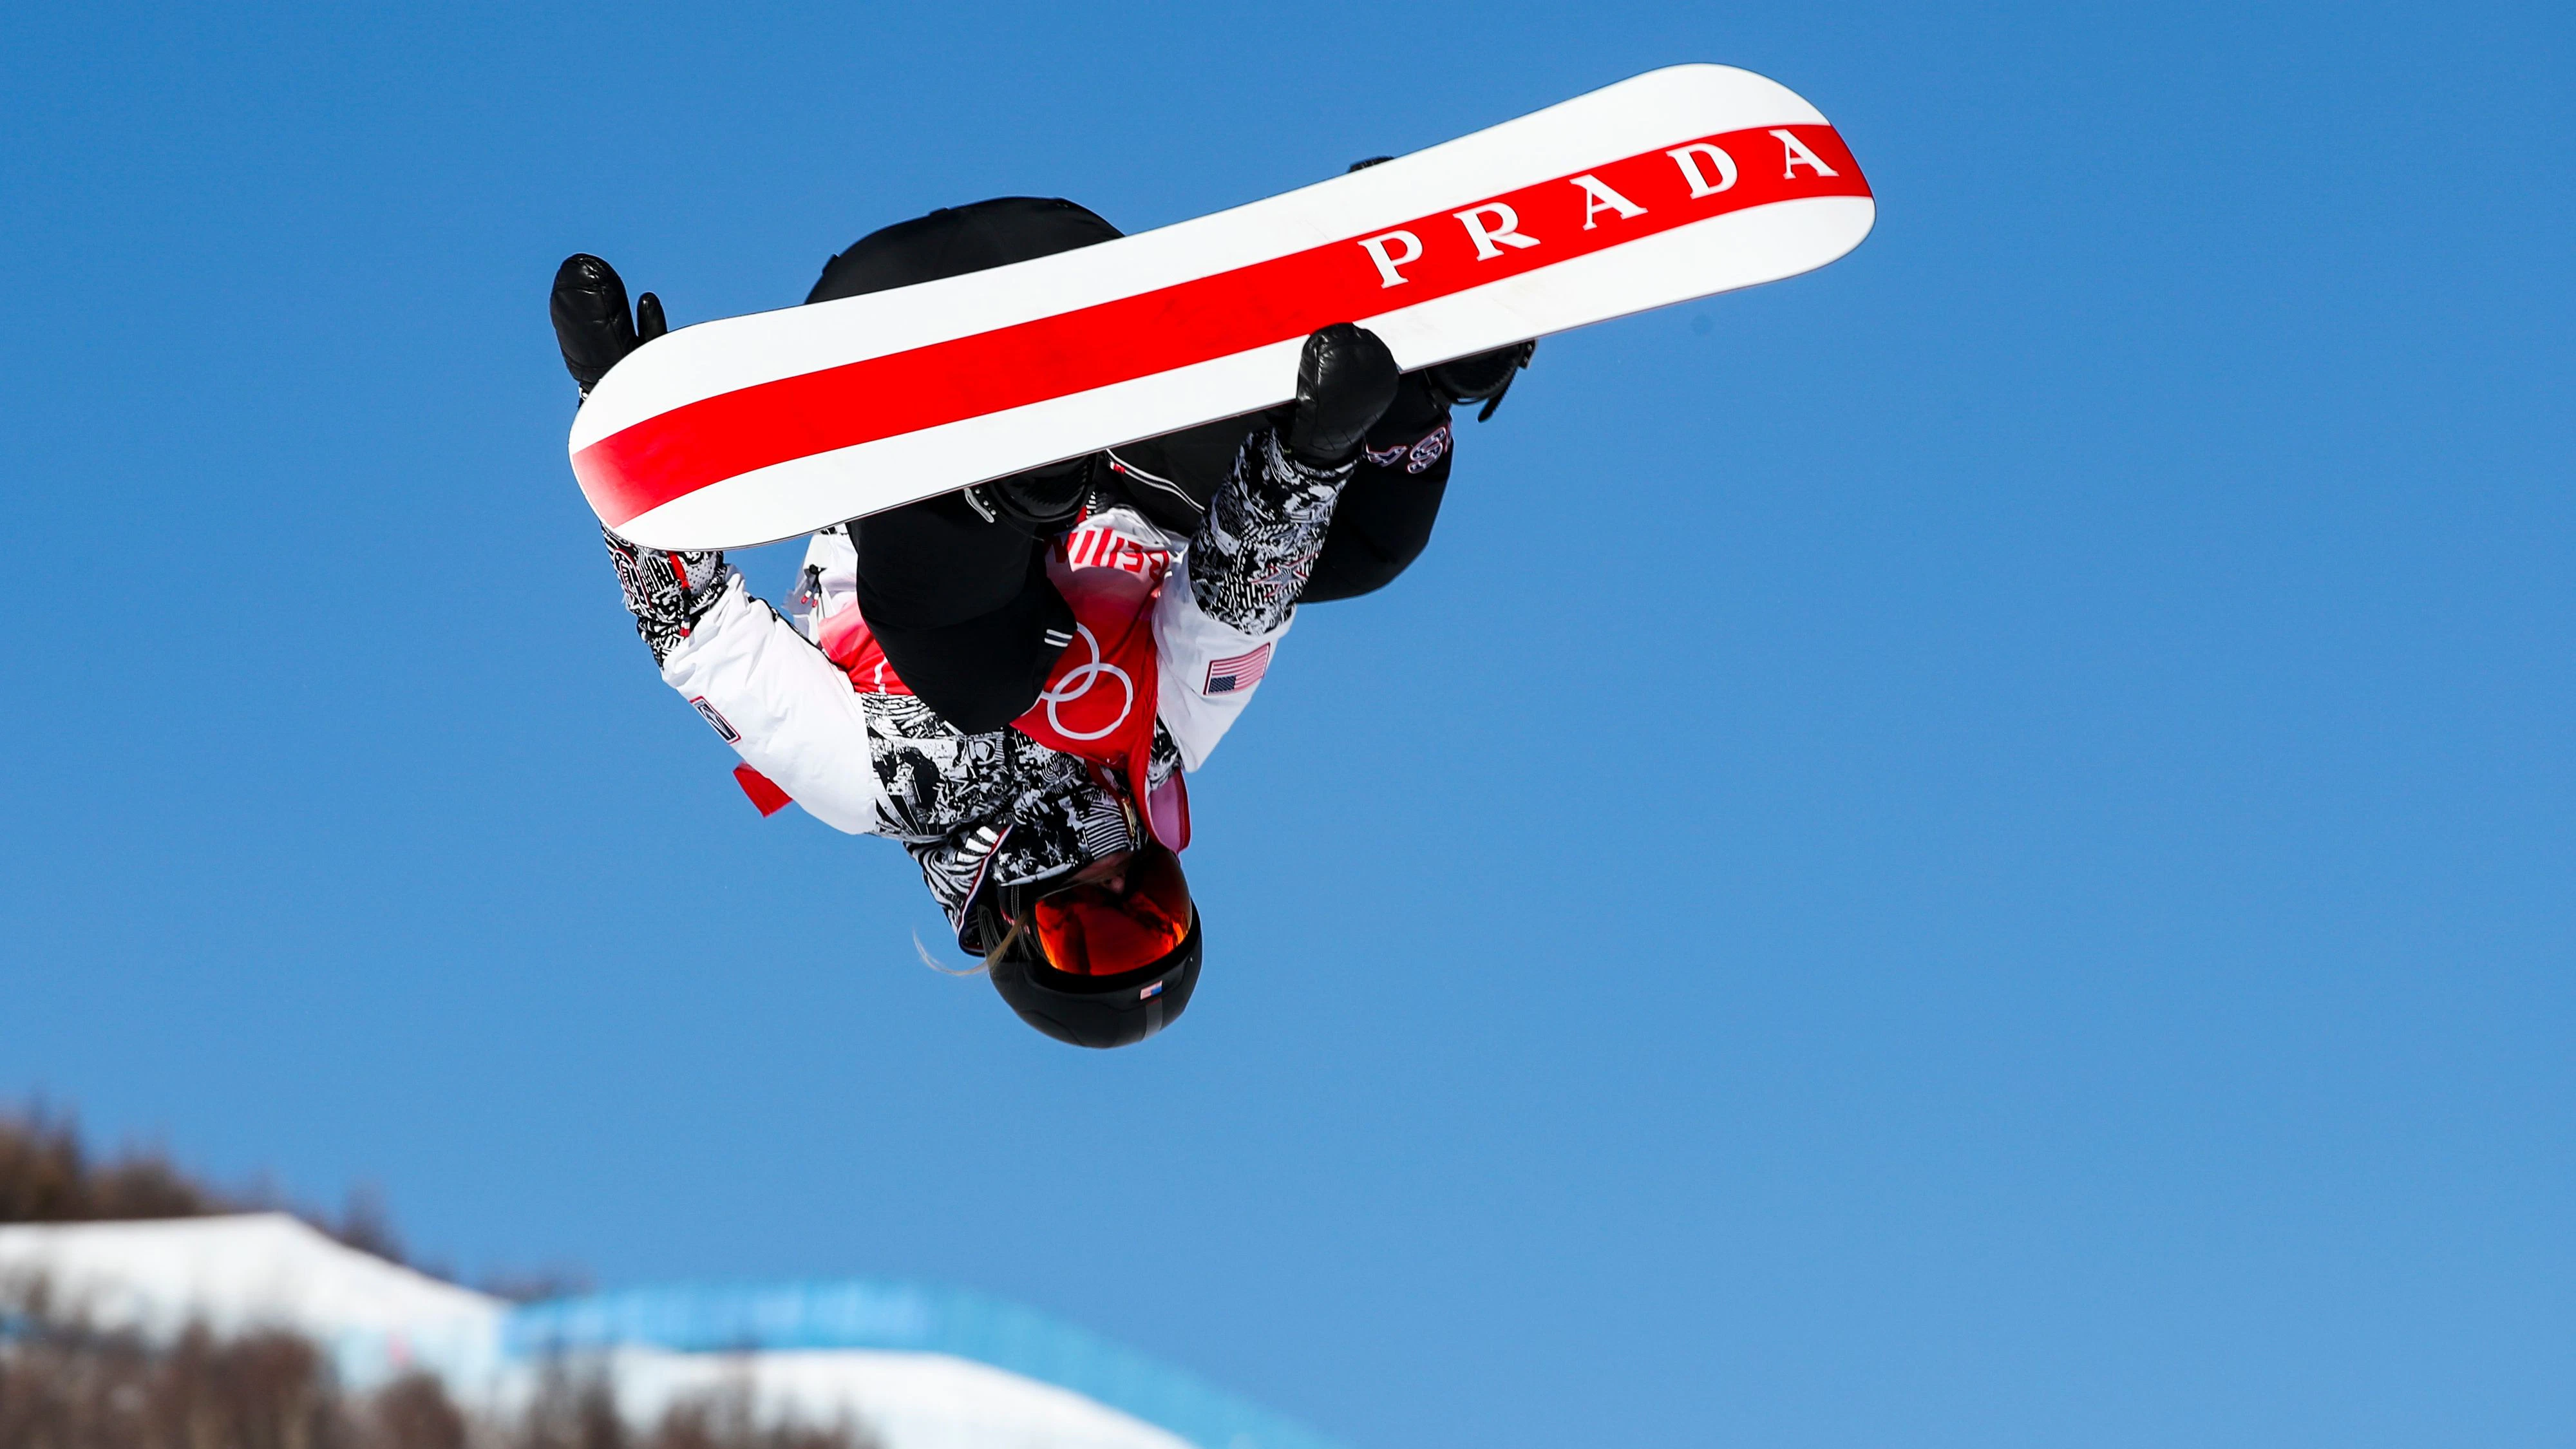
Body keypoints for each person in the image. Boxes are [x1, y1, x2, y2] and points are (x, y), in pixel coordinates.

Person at [549, 196, 1532, 1048]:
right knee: (1358, 554)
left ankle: (1001, 480)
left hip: (901, 383)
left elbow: (700, 637)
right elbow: (1237, 603)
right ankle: (1415, 371)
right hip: (1101, 364)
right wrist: (1314, 454)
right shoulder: (1160, 746)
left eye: (1093, 936)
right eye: (1155, 912)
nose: (1118, 886)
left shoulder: (876, 785)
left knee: (979, 684)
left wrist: (630, 427)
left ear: (1010, 932)